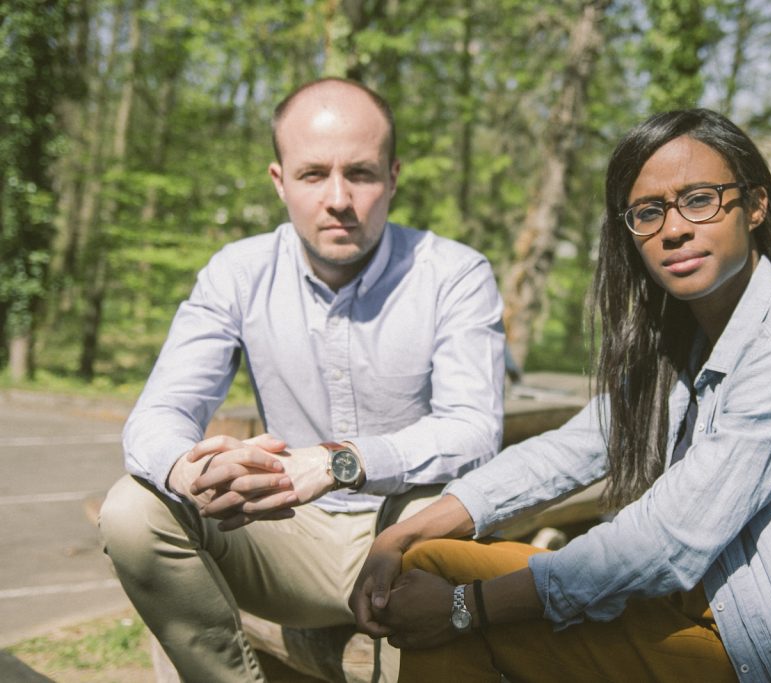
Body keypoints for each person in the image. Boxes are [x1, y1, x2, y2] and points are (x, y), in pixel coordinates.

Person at [349, 108, 771, 682]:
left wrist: (468, 609)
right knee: (431, 561)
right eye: (648, 212)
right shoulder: (681, 344)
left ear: (756, 205)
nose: (674, 229)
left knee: (455, 606)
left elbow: (668, 537)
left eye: (699, 199)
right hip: (680, 616)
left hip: (765, 655)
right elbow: (567, 452)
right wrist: (402, 531)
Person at [97, 77, 505, 682]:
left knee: (435, 554)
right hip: (280, 533)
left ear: (393, 177)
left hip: (406, 528)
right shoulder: (236, 273)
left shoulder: (454, 274)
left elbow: (474, 431)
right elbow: (158, 417)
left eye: (361, 174)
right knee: (134, 510)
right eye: (314, 175)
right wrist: (191, 469)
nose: (339, 198)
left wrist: (339, 461)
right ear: (279, 180)